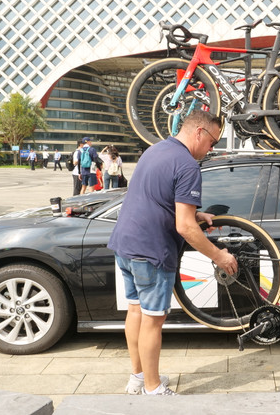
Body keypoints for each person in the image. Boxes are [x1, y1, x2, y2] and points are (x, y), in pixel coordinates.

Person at [107, 110, 237, 396]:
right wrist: (220, 256)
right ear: (199, 132)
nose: (211, 149)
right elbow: (185, 228)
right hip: (152, 251)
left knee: (135, 311)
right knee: (154, 320)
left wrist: (193, 212)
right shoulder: (188, 166)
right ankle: (154, 390)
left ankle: (139, 377)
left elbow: (156, 197)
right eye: (213, 142)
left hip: (125, 243)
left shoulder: (155, 150)